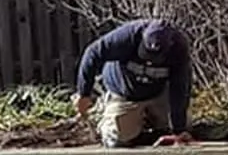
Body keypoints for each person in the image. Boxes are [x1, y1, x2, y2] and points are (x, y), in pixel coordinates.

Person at [73, 18, 194, 148]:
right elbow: (93, 52)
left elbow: (180, 87)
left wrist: (178, 130)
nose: (150, 61)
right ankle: (104, 116)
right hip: (124, 92)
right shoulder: (127, 36)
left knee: (183, 126)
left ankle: (150, 121)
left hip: (158, 92)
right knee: (117, 139)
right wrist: (84, 93)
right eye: (147, 54)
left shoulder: (179, 48)